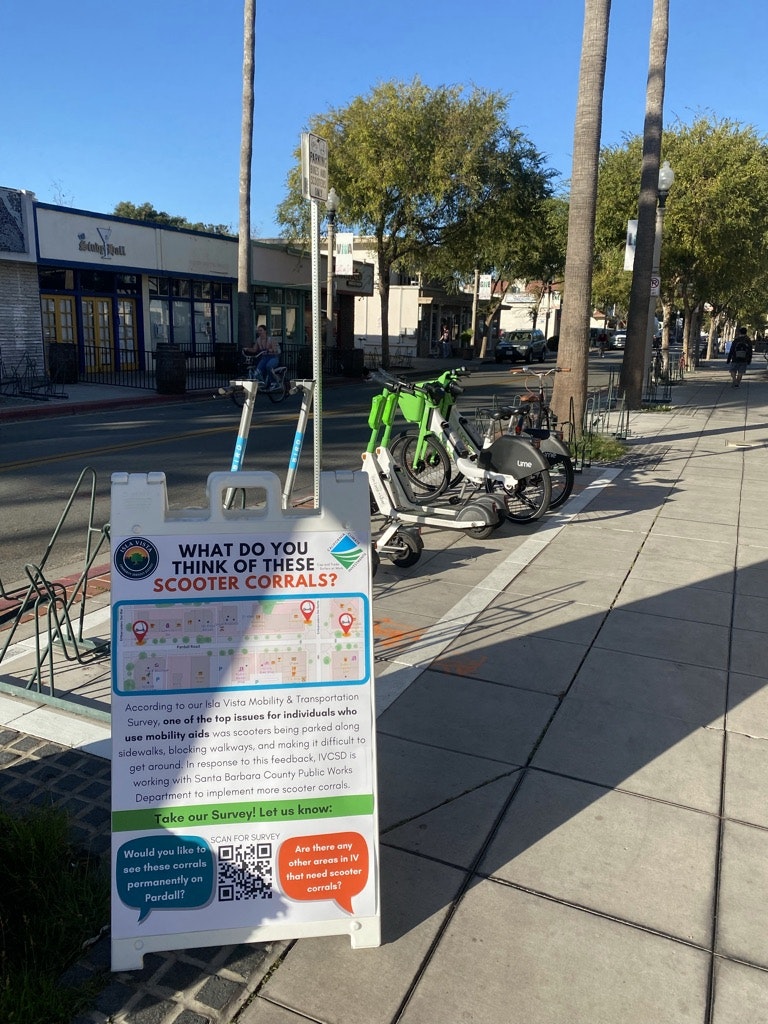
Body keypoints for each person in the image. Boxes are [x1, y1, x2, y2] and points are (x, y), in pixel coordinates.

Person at [243, 324, 280, 389]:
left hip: (273, 357)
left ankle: (274, 382)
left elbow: (277, 350)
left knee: (268, 366)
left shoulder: (271, 339)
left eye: (261, 330)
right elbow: (254, 350)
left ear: (265, 331)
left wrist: (271, 350)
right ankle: (262, 383)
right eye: (258, 331)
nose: (259, 332)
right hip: (264, 358)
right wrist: (247, 349)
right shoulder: (258, 340)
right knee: (258, 371)